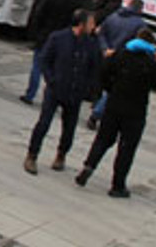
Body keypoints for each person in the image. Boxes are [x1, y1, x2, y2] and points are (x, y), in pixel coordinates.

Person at [75, 29, 156, 198]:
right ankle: (117, 185)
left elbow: (103, 73)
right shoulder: (150, 62)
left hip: (114, 104)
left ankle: (88, 167)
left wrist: (111, 89)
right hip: (136, 110)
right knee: (127, 147)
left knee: (103, 139)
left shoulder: (120, 55)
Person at [24, 10, 101, 175]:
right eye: (91, 23)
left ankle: (61, 154)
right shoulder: (58, 38)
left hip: (75, 92)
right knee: (44, 123)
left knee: (69, 128)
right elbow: (45, 60)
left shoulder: (92, 44)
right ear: (81, 24)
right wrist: (51, 79)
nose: (94, 26)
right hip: (55, 89)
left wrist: (88, 89)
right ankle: (32, 155)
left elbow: (95, 69)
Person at [87, 0, 147, 129]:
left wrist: (105, 48)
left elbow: (101, 33)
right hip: (121, 60)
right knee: (113, 90)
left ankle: (95, 103)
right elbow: (137, 44)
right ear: (140, 9)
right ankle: (97, 114)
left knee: (100, 82)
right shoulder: (140, 25)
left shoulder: (113, 17)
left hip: (105, 55)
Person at [20, 0, 73, 105]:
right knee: (54, 69)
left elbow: (39, 13)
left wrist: (35, 32)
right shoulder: (71, 1)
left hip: (45, 36)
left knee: (37, 66)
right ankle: (50, 97)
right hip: (61, 39)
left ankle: (30, 94)